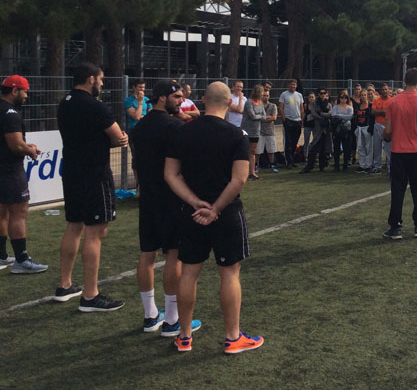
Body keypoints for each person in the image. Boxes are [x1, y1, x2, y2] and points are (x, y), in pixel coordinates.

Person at [164, 81, 263, 354]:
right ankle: (233, 337)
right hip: (226, 213)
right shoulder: (236, 135)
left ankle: (184, 336)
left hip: (192, 213)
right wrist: (216, 208)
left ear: (202, 100)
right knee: (229, 273)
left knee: (189, 273)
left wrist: (196, 202)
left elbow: (171, 174)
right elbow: (239, 179)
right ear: (230, 101)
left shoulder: (183, 132)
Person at [55, 62, 129, 310]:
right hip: (94, 173)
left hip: (72, 170)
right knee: (95, 231)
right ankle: (90, 294)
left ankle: (65, 285)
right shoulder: (95, 107)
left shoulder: (64, 103)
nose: (102, 84)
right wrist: (113, 141)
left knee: (74, 225)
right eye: (100, 79)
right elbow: (118, 136)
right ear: (90, 79)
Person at [130, 80, 201, 335]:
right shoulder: (174, 126)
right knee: (173, 254)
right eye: (177, 97)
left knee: (147, 254)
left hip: (147, 196)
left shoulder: (139, 127)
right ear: (162, 98)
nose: (182, 101)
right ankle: (172, 319)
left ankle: (150, 315)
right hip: (171, 199)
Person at [0, 75, 47, 273]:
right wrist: (30, 149)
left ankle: (2, 255)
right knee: (18, 212)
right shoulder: (10, 113)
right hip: (10, 169)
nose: (26, 96)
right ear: (14, 91)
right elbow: (15, 145)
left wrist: (25, 146)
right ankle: (21, 259)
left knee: (2, 211)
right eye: (25, 91)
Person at [382, 68, 417, 240]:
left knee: (397, 189)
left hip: (399, 151)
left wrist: (388, 133)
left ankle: (395, 226)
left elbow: (388, 131)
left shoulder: (393, 102)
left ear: (404, 81)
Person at [300, 88, 333, 173]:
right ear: (318, 94)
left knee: (323, 148)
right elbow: (314, 113)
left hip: (325, 128)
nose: (322, 95)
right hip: (317, 128)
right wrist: (322, 116)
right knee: (313, 147)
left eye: (324, 93)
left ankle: (322, 166)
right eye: (321, 93)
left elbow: (330, 114)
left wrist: (321, 114)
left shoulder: (329, 104)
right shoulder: (315, 103)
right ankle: (309, 166)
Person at [241, 85, 266, 180]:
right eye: (262, 92)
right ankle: (244, 172)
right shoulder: (248, 102)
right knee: (245, 151)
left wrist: (259, 116)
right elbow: (252, 116)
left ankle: (252, 173)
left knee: (252, 152)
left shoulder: (260, 103)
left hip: (256, 131)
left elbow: (263, 116)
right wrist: (260, 116)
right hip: (247, 131)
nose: (263, 94)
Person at [279, 79, 304, 168]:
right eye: (291, 85)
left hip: (297, 120)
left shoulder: (299, 95)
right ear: (288, 85)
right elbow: (281, 107)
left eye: (294, 85)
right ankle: (288, 161)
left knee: (295, 141)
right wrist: (284, 118)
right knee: (288, 142)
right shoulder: (284, 94)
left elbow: (301, 107)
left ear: (296, 86)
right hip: (288, 120)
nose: (292, 86)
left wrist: (302, 118)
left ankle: (293, 160)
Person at [257, 88, 279, 174]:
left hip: (270, 131)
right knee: (258, 151)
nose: (265, 97)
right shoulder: (258, 105)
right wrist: (267, 118)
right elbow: (256, 117)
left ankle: (272, 165)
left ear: (269, 96)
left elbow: (274, 118)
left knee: (271, 150)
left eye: (267, 96)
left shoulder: (273, 106)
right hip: (259, 131)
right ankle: (256, 165)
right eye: (263, 96)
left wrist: (263, 118)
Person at [371, 83, 392, 174]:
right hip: (378, 124)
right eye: (383, 89)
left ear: (388, 90)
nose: (384, 91)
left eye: (386, 89)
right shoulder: (376, 100)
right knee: (377, 146)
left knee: (389, 147)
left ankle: (390, 166)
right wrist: (383, 112)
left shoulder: (391, 100)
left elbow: (391, 113)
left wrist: (381, 112)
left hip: (388, 125)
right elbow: (373, 112)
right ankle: (377, 166)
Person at [331, 91, 354, 172]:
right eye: (341, 97)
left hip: (346, 130)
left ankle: (345, 165)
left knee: (346, 148)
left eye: (345, 98)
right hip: (337, 130)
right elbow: (333, 116)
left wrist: (339, 116)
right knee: (336, 148)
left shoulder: (350, 107)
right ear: (339, 98)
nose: (343, 99)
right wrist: (344, 117)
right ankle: (336, 166)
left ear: (347, 99)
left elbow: (350, 117)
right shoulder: (335, 107)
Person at [353, 89, 373, 173]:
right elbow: (355, 117)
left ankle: (368, 165)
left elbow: (372, 118)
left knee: (368, 147)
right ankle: (362, 165)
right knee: (360, 147)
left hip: (367, 127)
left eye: (365, 95)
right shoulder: (358, 106)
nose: (363, 96)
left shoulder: (370, 106)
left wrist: (371, 127)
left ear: (367, 96)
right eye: (362, 95)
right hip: (359, 128)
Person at [302, 92, 316, 160]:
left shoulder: (316, 106)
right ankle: (305, 156)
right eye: (310, 97)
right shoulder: (305, 106)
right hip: (307, 125)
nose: (311, 98)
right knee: (306, 141)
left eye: (312, 97)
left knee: (315, 140)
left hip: (315, 125)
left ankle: (314, 155)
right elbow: (303, 115)